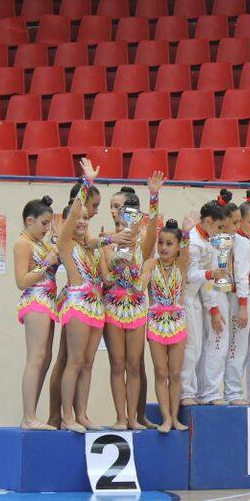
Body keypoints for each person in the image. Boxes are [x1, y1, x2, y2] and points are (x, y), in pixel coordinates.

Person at [100, 174, 161, 430]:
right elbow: (106, 278)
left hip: (136, 306)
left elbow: (152, 233)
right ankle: (120, 417)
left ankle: (134, 417)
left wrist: (154, 197)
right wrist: (114, 263)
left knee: (135, 364)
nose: (115, 213)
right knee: (117, 363)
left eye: (119, 208)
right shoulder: (106, 239)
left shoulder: (143, 239)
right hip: (113, 305)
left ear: (134, 214)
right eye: (112, 208)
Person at [56, 159, 106, 433]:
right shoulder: (65, 244)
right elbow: (74, 213)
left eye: (87, 218)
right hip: (76, 303)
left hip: (96, 306)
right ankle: (67, 417)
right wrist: (87, 184)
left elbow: (104, 276)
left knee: (88, 362)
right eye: (79, 218)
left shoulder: (92, 247)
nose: (83, 222)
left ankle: (82, 414)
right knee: (75, 361)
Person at [14, 195, 60, 430]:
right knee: (35, 358)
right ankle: (28, 416)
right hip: (36, 301)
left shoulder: (41, 244)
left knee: (45, 358)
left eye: (49, 223)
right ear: (29, 221)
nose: (46, 228)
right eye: (43, 223)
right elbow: (21, 281)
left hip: (48, 302)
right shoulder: (23, 243)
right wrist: (46, 263)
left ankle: (32, 414)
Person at [140, 218, 190, 432]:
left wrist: (186, 230)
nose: (163, 247)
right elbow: (142, 284)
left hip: (177, 321)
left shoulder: (182, 264)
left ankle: (176, 418)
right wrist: (142, 278)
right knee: (161, 372)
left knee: (175, 373)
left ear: (179, 246)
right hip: (156, 322)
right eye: (160, 243)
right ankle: (166, 418)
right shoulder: (152, 263)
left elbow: (186, 246)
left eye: (169, 244)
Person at [181, 198, 230, 406]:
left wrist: (214, 309)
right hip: (183, 298)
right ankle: (185, 393)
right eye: (219, 227)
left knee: (198, 348)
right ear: (208, 221)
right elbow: (189, 274)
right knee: (190, 349)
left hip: (195, 299)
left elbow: (206, 284)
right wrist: (210, 273)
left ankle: (199, 392)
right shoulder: (193, 243)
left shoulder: (207, 242)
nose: (220, 233)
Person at [197, 190, 236, 405]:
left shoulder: (221, 241)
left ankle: (208, 391)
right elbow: (208, 278)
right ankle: (209, 393)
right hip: (212, 297)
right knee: (216, 344)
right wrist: (213, 308)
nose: (229, 230)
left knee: (217, 345)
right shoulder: (210, 243)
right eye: (224, 226)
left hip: (221, 295)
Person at [226, 192, 250, 405]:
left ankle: (245, 392)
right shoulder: (239, 241)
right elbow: (240, 275)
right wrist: (242, 306)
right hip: (240, 298)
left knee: (245, 348)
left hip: (249, 297)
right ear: (240, 221)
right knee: (236, 347)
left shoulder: (249, 240)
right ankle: (232, 393)